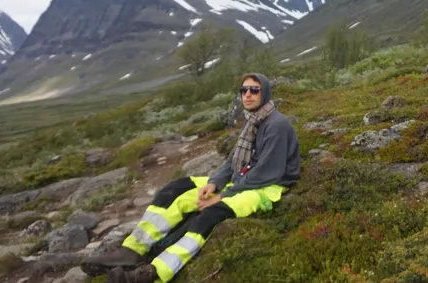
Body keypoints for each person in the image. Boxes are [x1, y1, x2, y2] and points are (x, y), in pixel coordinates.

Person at [81, 72, 301, 283]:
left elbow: (266, 172)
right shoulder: (253, 120)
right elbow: (233, 161)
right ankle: (132, 250)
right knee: (176, 189)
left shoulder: (276, 125)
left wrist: (222, 196)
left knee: (212, 213)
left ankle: (152, 273)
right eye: (243, 90)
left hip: (267, 187)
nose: (248, 94)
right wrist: (214, 184)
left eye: (254, 90)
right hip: (242, 178)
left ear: (265, 93)